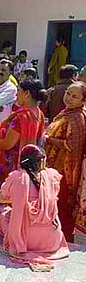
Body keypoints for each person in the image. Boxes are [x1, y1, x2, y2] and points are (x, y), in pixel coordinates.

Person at [0, 145, 70, 269]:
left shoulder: (16, 177)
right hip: (52, 241)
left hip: (23, 241)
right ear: (42, 161)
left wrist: (17, 201)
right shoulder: (53, 176)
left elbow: (1, 197)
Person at [45, 82, 86, 242]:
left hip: (64, 172)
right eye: (68, 93)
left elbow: (70, 145)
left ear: (83, 101)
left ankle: (62, 240)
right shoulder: (67, 112)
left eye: (74, 96)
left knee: (61, 207)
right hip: (54, 168)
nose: (68, 97)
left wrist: (49, 139)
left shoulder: (77, 118)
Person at [0, 79, 47, 196]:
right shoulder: (38, 113)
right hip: (30, 164)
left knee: (6, 201)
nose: (16, 94)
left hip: (13, 167)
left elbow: (8, 144)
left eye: (18, 91)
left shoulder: (20, 118)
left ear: (27, 93)